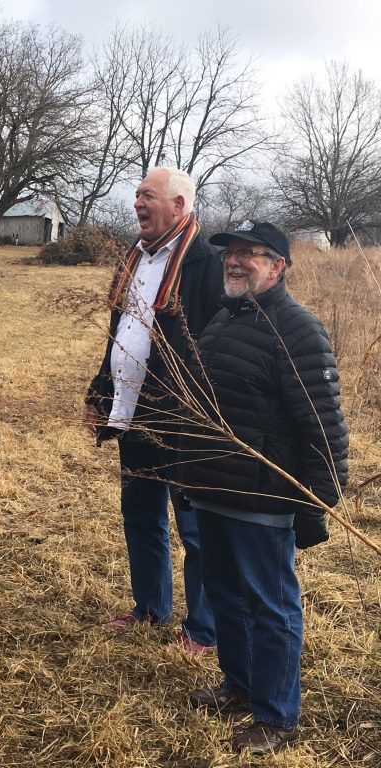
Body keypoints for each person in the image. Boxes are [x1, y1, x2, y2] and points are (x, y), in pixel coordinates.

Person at [179, 221, 348, 753]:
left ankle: (276, 716)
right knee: (225, 595)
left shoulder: (297, 329)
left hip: (263, 497)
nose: (235, 261)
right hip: (213, 489)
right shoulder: (223, 321)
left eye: (251, 254)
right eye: (232, 252)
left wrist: (317, 502)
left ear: (278, 266)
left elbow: (323, 426)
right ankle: (239, 684)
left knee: (270, 607)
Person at [84, 167, 220, 653]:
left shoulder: (206, 263)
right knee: (140, 513)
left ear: (180, 206)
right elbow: (120, 334)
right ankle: (150, 608)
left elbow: (213, 345)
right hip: (134, 410)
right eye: (136, 194)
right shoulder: (135, 257)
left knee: (196, 527)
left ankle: (203, 628)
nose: (137, 202)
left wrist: (203, 409)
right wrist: (100, 390)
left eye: (148, 195)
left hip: (183, 417)